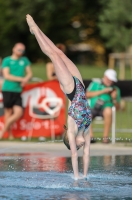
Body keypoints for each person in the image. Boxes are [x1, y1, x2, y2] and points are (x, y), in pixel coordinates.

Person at [26, 14, 92, 180]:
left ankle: (34, 29)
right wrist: (85, 176)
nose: (81, 145)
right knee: (60, 53)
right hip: (80, 85)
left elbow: (75, 157)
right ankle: (36, 30)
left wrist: (76, 177)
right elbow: (86, 155)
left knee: (53, 56)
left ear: (72, 144)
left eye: (77, 146)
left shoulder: (72, 129)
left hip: (71, 89)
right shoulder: (86, 130)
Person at [0, 43, 32, 139]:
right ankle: (10, 135)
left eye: (22, 50)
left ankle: (2, 132)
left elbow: (29, 73)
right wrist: (21, 79)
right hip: (8, 89)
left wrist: (26, 79)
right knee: (8, 112)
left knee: (18, 113)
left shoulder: (24, 60)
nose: (21, 52)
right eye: (19, 50)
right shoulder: (7, 60)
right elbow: (7, 76)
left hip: (18, 90)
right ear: (14, 49)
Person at [86, 69, 121, 143]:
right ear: (105, 77)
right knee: (86, 112)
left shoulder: (115, 89)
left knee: (108, 111)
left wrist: (114, 99)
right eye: (109, 79)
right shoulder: (95, 84)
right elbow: (86, 95)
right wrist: (103, 91)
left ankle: (105, 138)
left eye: (112, 80)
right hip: (93, 108)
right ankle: (90, 137)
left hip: (106, 110)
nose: (110, 81)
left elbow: (118, 108)